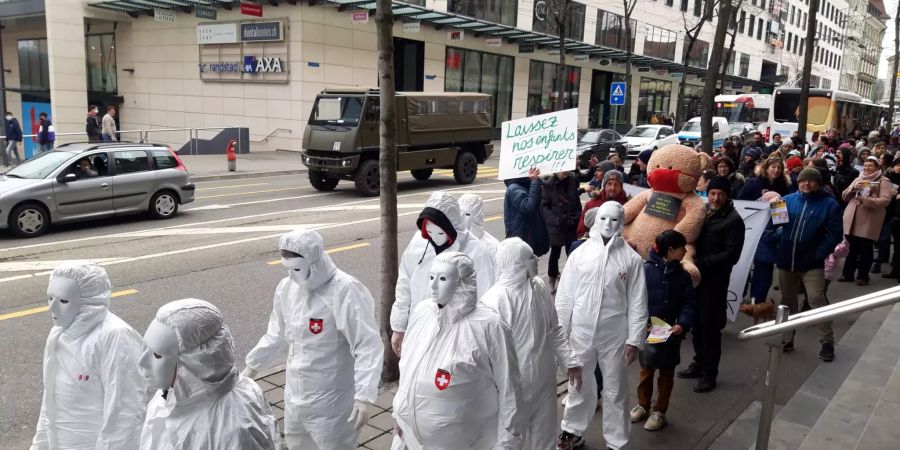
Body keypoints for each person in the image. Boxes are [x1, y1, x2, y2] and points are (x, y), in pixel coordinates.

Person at [242, 229, 382, 449]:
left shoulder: (344, 290)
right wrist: (251, 368)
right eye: (286, 268)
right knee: (298, 444)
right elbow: (276, 333)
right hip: (295, 396)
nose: (291, 275)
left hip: (332, 400)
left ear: (314, 262)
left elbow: (367, 345)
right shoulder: (287, 289)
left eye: (297, 269)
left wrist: (365, 396)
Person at [392, 252, 524, 449]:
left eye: (443, 278)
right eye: (431, 277)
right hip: (411, 439)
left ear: (462, 281)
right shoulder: (422, 313)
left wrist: (507, 444)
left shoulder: (488, 326)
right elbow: (409, 367)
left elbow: (510, 389)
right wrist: (401, 416)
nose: (433, 286)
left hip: (467, 442)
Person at [556, 201, 648, 450]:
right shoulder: (580, 255)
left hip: (614, 335)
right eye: (604, 219)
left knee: (616, 389)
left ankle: (616, 442)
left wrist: (634, 339)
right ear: (596, 220)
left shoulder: (630, 259)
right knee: (578, 384)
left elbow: (638, 301)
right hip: (582, 332)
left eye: (614, 220)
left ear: (621, 223)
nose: (608, 224)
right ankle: (572, 431)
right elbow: (565, 298)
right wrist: (560, 336)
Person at [31, 261, 146, 449]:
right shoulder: (58, 334)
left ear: (89, 301)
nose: (51, 308)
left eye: (63, 301)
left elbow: (125, 413)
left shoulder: (114, 337)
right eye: (50, 298)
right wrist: (40, 444)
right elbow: (50, 398)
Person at [480, 238, 582, 449]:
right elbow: (486, 358)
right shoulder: (494, 302)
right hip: (513, 391)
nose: (536, 260)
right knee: (509, 441)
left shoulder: (538, 288)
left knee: (545, 439)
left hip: (544, 382)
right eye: (530, 257)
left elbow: (554, 328)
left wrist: (570, 361)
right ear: (517, 265)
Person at [139, 299, 279, 450]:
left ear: (194, 362)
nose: (142, 362)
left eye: (157, 355)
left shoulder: (232, 430)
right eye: (145, 348)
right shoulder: (171, 396)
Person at [391, 191, 495, 357]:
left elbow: (486, 296)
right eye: (430, 232)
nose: (435, 238)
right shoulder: (419, 244)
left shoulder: (475, 251)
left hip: (458, 335)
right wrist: (399, 326)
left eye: (440, 233)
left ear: (452, 228)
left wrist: (480, 340)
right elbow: (404, 284)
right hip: (420, 327)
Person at [678, 176, 745, 393]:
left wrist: (700, 263)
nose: (715, 198)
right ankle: (698, 363)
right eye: (712, 193)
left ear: (727, 196)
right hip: (694, 280)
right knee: (696, 325)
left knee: (710, 329)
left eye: (720, 194)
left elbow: (731, 255)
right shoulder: (703, 214)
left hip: (714, 283)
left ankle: (709, 373)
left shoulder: (733, 220)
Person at [773, 168, 842, 361]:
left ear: (818, 183)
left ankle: (827, 342)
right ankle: (787, 338)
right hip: (787, 260)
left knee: (816, 299)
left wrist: (818, 254)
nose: (806, 184)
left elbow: (835, 234)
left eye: (811, 181)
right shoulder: (785, 200)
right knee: (787, 301)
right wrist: (779, 243)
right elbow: (774, 227)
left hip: (812, 263)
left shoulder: (829, 204)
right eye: (803, 180)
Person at [630, 230, 696, 431]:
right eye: (681, 248)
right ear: (670, 250)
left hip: (671, 332)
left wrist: (682, 324)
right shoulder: (645, 270)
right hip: (649, 331)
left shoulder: (683, 275)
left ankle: (660, 411)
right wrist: (642, 323)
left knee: (667, 374)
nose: (685, 251)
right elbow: (635, 300)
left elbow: (689, 303)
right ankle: (643, 405)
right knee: (646, 370)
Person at [839, 156, 892, 286]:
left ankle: (863, 276)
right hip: (852, 217)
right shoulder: (859, 178)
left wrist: (867, 201)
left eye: (870, 166)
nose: (867, 168)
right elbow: (844, 196)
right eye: (866, 165)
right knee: (852, 247)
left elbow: (885, 200)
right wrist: (853, 188)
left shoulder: (883, 181)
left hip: (869, 219)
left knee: (865, 248)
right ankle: (848, 274)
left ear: (877, 167)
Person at [542, 170, 582, 293]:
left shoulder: (572, 179)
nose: (565, 171)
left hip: (571, 223)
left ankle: (571, 280)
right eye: (562, 170)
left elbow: (575, 199)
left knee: (572, 253)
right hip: (557, 225)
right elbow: (544, 207)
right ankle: (552, 278)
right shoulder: (548, 183)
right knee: (555, 253)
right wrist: (556, 220)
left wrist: (577, 215)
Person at [504, 168, 550, 256]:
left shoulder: (527, 185)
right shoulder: (514, 188)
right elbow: (529, 207)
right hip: (523, 237)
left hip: (530, 234)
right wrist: (535, 182)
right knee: (524, 266)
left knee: (531, 264)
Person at [577, 170, 627, 238]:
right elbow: (581, 231)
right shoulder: (591, 204)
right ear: (604, 186)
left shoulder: (628, 205)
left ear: (621, 187)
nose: (612, 188)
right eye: (609, 184)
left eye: (616, 184)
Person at [459, 193, 500, 258]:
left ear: (478, 215)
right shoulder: (455, 242)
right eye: (460, 213)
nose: (462, 217)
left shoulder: (492, 246)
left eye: (466, 214)